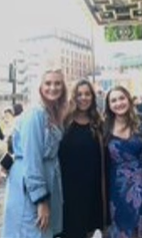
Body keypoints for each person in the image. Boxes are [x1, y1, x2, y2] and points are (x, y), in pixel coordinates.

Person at [2, 65, 68, 238]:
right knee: (32, 232)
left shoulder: (51, 112)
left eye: (57, 83)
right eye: (48, 83)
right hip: (30, 187)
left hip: (44, 179)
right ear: (40, 86)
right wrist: (41, 200)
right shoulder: (35, 114)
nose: (53, 87)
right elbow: (33, 159)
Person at [104, 86, 142, 238]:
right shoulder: (104, 127)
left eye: (121, 98)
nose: (118, 103)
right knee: (123, 229)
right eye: (113, 100)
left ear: (129, 99)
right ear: (109, 105)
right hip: (117, 190)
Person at [58, 79, 108, 238]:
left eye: (87, 94)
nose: (83, 98)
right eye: (79, 94)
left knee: (89, 230)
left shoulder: (99, 123)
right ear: (73, 97)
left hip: (92, 189)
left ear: (93, 97)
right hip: (67, 189)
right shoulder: (63, 122)